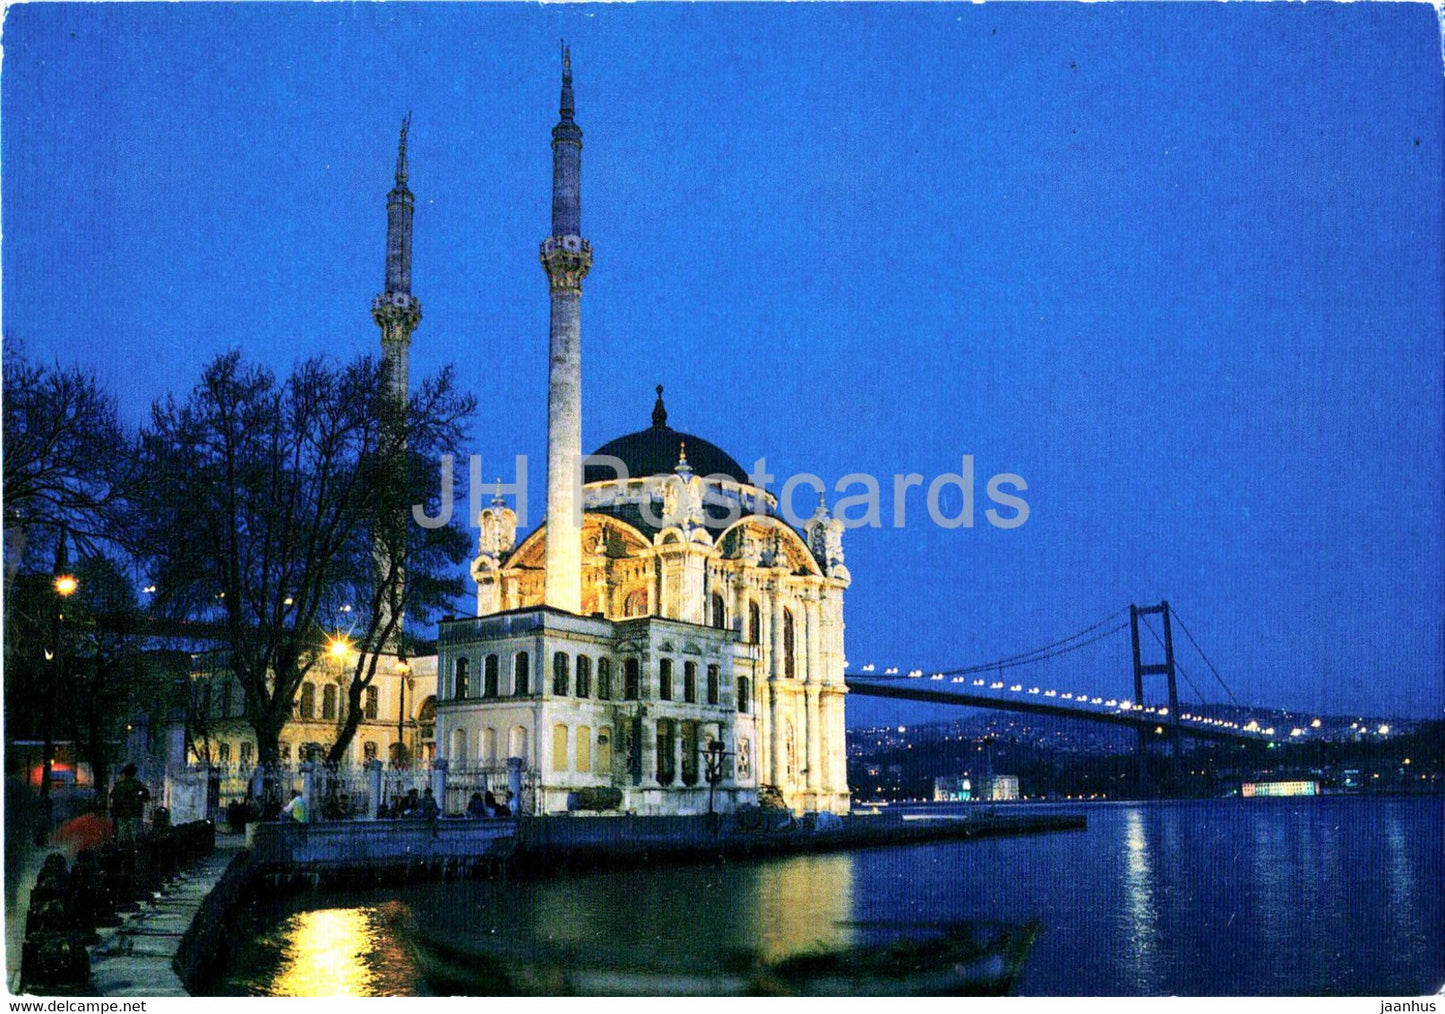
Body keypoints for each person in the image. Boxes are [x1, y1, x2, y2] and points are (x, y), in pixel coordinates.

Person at [109, 764, 150, 843]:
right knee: (136, 840)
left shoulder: (118, 786)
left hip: (120, 817)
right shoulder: (138, 785)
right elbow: (146, 798)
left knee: (121, 840)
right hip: (135, 816)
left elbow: (112, 798)